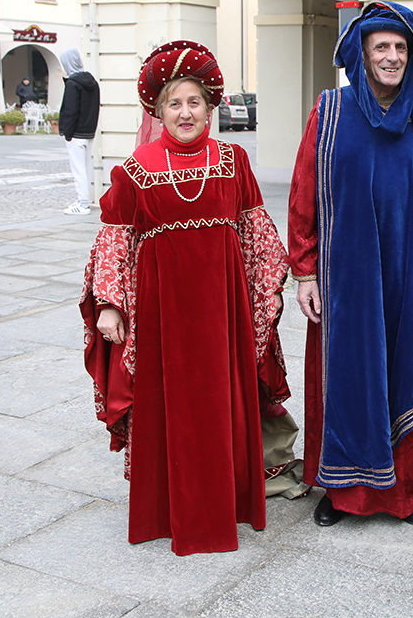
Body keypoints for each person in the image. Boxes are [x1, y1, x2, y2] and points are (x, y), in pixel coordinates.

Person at [80, 40, 291, 555]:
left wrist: (269, 289)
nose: (185, 112)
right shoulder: (134, 170)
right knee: (170, 406)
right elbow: (115, 238)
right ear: (158, 110)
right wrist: (110, 302)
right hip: (161, 313)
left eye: (194, 101)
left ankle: (229, 505)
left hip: (224, 308)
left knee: (223, 401)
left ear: (209, 106)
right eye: (174, 103)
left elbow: (256, 231)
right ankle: (171, 511)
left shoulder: (233, 160)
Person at [288, 1, 413, 527]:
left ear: (412, 55)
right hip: (345, 280)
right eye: (381, 47)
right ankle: (342, 492)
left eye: (400, 47)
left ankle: (408, 491)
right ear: (364, 54)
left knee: (407, 372)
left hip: (412, 279)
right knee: (347, 376)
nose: (391, 57)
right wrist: (304, 271)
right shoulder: (329, 113)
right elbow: (304, 193)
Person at [59, 50, 100, 215]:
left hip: (76, 133)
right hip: (88, 131)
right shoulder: (92, 82)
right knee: (85, 167)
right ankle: (85, 200)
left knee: (78, 168)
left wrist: (67, 132)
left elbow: (70, 110)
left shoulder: (73, 84)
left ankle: (82, 203)